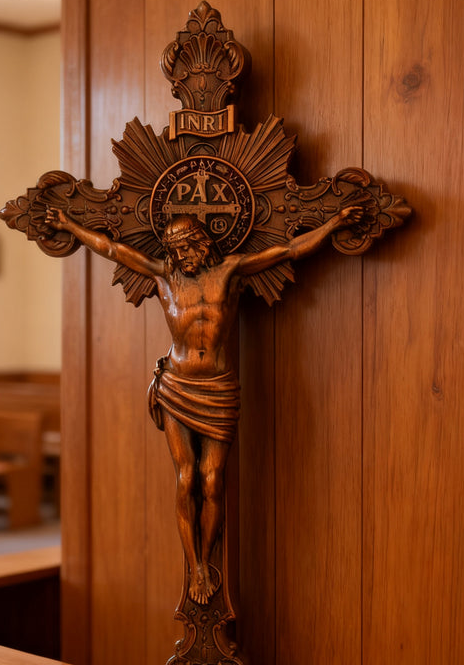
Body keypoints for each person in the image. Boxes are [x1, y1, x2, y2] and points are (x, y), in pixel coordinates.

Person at [44, 206, 363, 604]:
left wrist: (334, 223)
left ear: (201, 243)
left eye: (186, 248)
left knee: (212, 480)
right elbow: (111, 249)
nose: (181, 256)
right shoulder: (163, 275)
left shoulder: (230, 271)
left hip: (218, 387)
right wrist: (69, 225)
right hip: (176, 387)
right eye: (175, 251)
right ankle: (196, 566)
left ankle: (209, 555)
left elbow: (289, 250)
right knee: (186, 478)